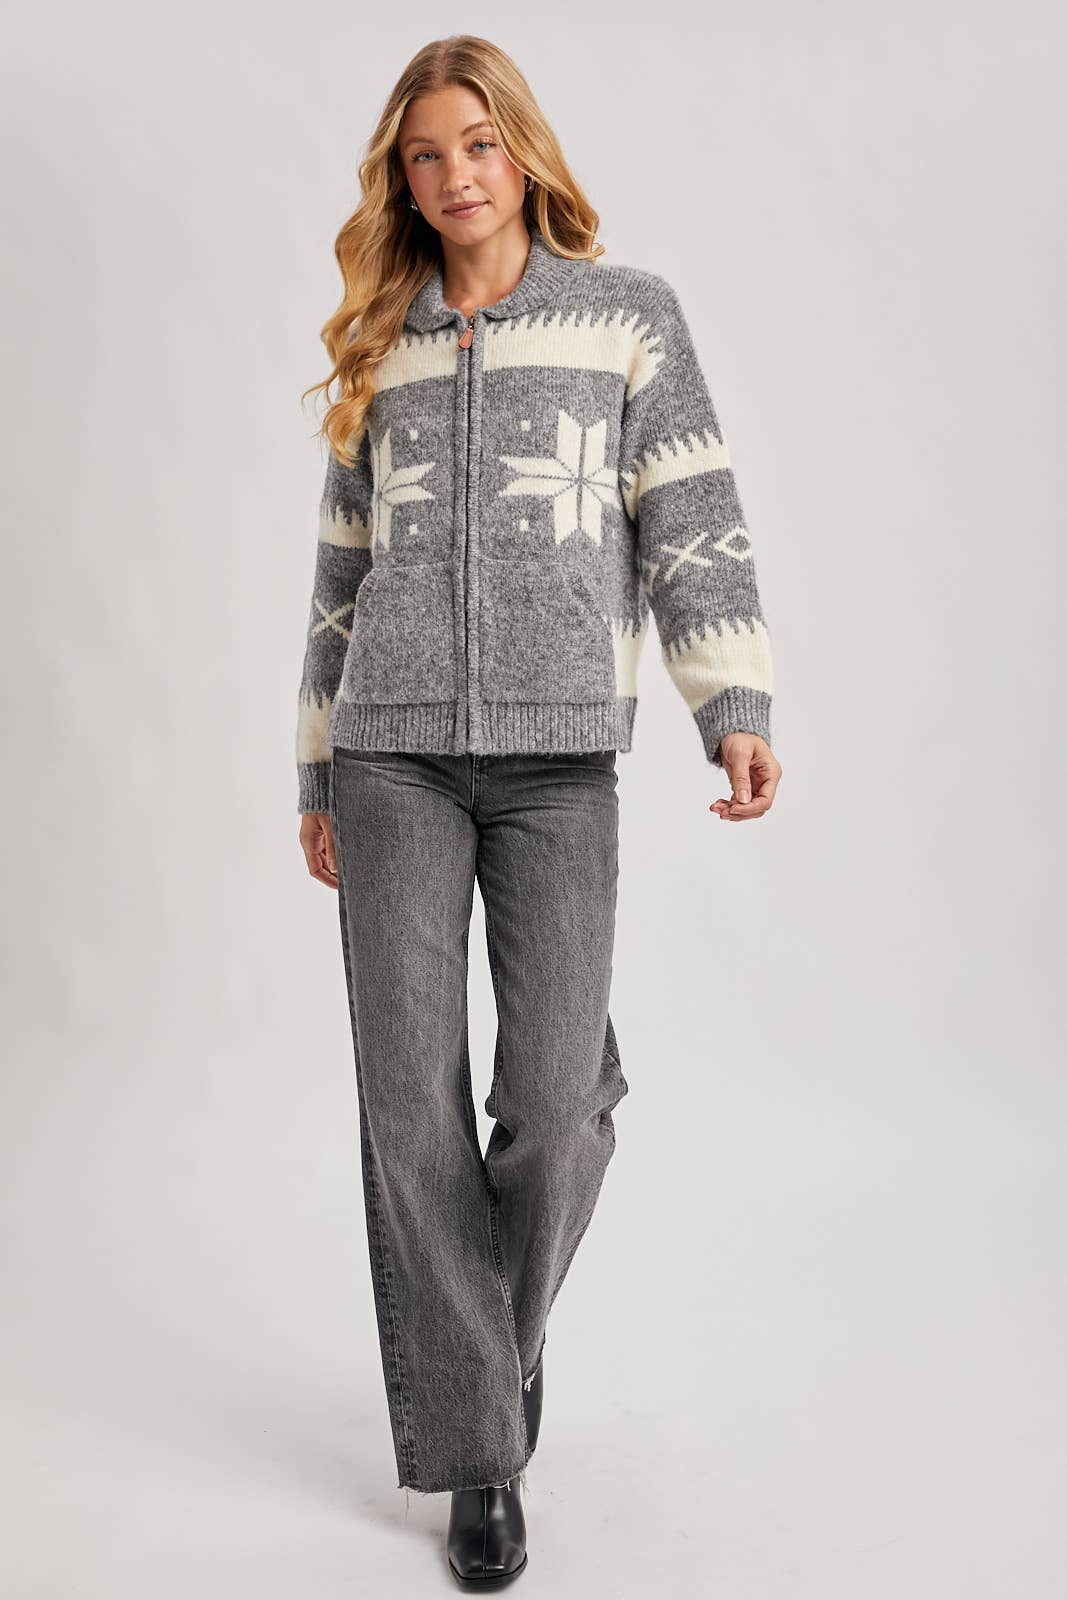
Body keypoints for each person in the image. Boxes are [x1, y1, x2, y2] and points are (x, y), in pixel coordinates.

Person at [294, 33, 781, 1589]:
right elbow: (342, 569)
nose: (456, 177)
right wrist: (316, 767)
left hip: (561, 761)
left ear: (523, 149)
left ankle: (480, 1361)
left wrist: (732, 702)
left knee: (557, 1107)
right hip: (391, 760)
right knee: (408, 1104)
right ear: (402, 179)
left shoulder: (626, 315)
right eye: (426, 155)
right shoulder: (385, 338)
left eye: (479, 144)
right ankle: (482, 1457)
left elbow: (689, 510)